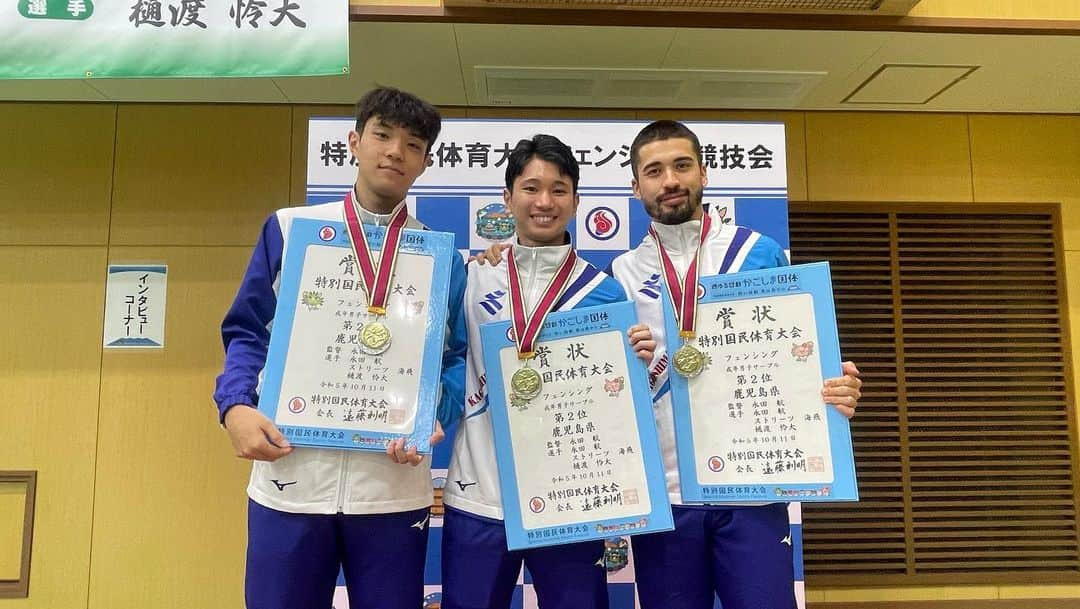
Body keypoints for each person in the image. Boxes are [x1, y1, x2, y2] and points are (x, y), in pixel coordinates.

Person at [212, 86, 467, 609]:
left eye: (413, 144)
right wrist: (235, 405)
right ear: (354, 141)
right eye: (382, 135)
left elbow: (455, 358)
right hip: (292, 476)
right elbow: (246, 330)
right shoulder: (290, 230)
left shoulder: (442, 257)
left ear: (425, 162)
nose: (395, 151)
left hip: (392, 485)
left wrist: (432, 414)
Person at [609, 119, 862, 609]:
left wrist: (834, 389)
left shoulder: (757, 252)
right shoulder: (619, 275)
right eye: (654, 170)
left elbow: (798, 354)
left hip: (752, 489)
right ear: (636, 185)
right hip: (667, 496)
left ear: (704, 173)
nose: (670, 181)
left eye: (682, 165)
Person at [440, 134, 655, 609]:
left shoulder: (605, 294)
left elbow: (619, 402)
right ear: (507, 197)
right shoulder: (473, 278)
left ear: (576, 201)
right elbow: (442, 360)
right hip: (479, 496)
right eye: (531, 187)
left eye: (559, 190)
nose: (544, 202)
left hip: (570, 497)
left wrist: (637, 363)